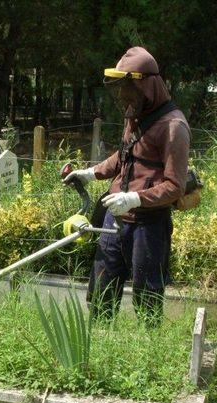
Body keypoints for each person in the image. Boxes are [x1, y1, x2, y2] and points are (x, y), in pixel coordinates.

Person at [64, 46, 190, 326]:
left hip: (148, 224)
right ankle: (97, 342)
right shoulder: (135, 114)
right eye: (120, 89)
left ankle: (146, 356)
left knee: (147, 297)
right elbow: (123, 156)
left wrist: (135, 199)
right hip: (113, 219)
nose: (123, 96)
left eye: (128, 88)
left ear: (146, 85)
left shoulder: (173, 127)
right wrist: (90, 173)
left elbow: (175, 186)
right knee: (101, 291)